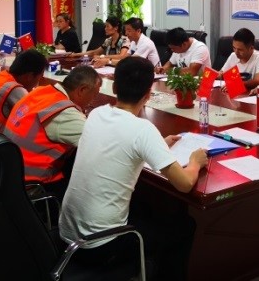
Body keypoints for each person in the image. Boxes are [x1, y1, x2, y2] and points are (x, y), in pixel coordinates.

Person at [59, 57, 207, 280]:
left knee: (146, 208)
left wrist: (158, 145)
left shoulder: (97, 114)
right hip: (100, 246)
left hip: (68, 237)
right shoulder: (143, 130)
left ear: (114, 87)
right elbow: (185, 184)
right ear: (148, 94)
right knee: (184, 226)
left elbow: (119, 146)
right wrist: (195, 161)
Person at [3, 65, 101, 199]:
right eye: (94, 95)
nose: (92, 101)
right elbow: (101, 144)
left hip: (8, 172)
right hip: (31, 187)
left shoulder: (41, 92)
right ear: (82, 90)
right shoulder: (65, 113)